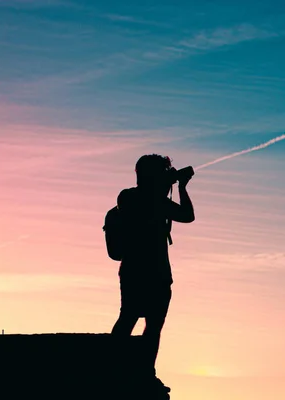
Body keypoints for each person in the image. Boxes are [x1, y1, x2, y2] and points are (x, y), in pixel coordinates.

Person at [111, 154, 195, 393]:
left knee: (147, 323)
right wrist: (176, 185)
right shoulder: (132, 197)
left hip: (146, 272)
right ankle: (124, 370)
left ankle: (142, 372)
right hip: (144, 271)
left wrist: (179, 186)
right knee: (132, 320)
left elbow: (187, 216)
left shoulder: (138, 197)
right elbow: (184, 214)